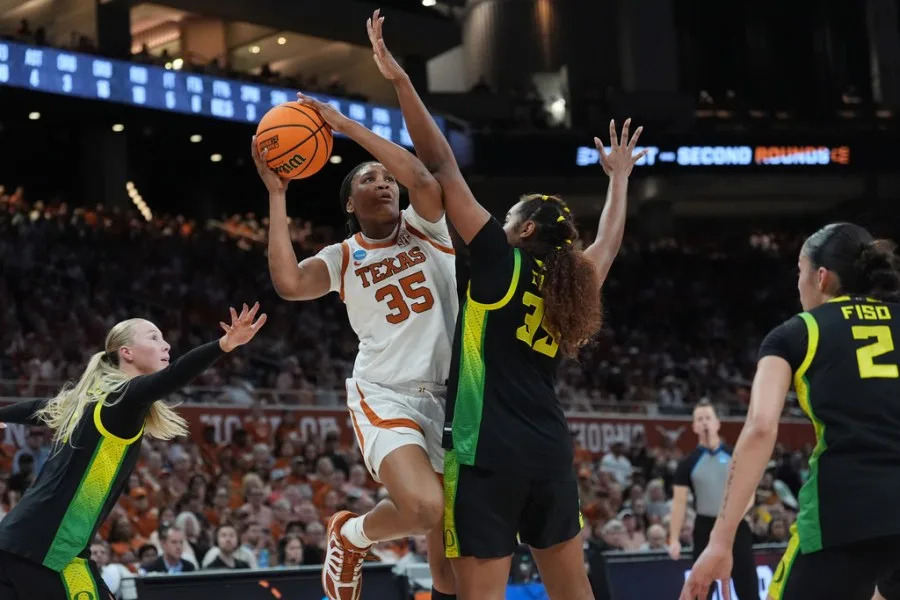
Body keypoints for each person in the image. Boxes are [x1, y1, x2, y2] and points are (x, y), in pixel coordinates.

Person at [364, 11, 647, 599]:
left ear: (520, 231)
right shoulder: (576, 279)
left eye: (510, 213)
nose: (501, 217)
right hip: (548, 450)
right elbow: (609, 241)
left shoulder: (501, 262)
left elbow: (441, 164)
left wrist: (400, 82)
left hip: (484, 453)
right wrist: (618, 180)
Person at [252, 89, 457, 599]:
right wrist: (278, 196)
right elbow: (289, 285)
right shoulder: (344, 256)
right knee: (425, 508)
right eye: (369, 178)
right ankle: (349, 536)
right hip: (386, 391)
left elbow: (424, 178)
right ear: (350, 202)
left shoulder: (426, 226)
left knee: (448, 571)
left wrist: (344, 124)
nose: (384, 183)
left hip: (455, 398)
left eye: (388, 179)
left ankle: (355, 537)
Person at [680, 223, 900, 600]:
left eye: (799, 272)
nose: (798, 284)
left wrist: (721, 540)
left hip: (841, 516)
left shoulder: (796, 332)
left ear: (820, 276)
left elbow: (762, 428)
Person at [0, 303, 266, 599]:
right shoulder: (121, 401)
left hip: (23, 541)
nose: (165, 345)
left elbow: (41, 408)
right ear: (126, 352)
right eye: (153, 337)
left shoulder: (91, 401)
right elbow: (175, 375)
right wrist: (224, 345)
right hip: (48, 550)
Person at [669, 400, 757, 600]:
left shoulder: (734, 455)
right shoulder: (687, 464)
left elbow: (749, 492)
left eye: (708, 418)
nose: (704, 422)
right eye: (699, 419)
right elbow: (679, 503)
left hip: (736, 526)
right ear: (694, 427)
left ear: (717, 423)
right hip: (704, 529)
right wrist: (673, 538)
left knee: (748, 588)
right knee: (702, 590)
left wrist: (732, 519)